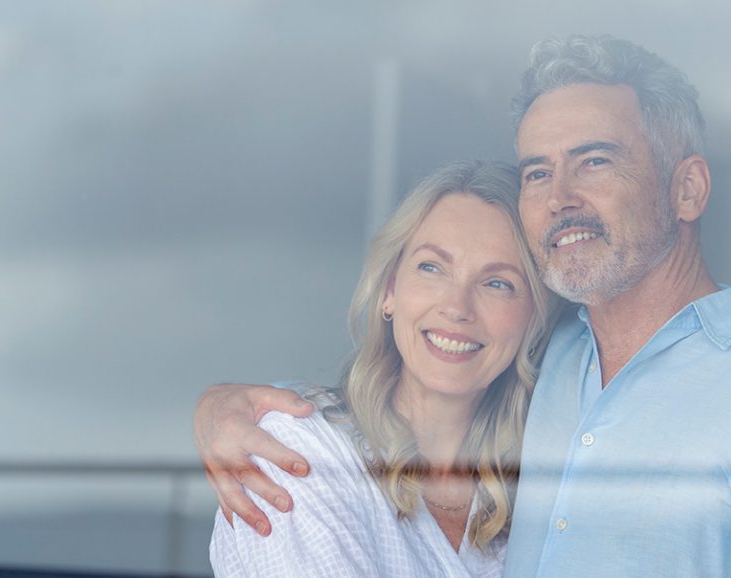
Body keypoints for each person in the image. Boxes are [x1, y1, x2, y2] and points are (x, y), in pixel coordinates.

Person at [196, 35, 731, 577]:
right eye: (539, 170)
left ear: (688, 190)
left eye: (595, 160)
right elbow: (412, 389)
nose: (560, 195)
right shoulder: (556, 361)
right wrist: (232, 407)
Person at [207, 160, 556, 577]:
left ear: (532, 320)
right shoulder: (299, 449)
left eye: (497, 283)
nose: (457, 307)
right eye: (432, 267)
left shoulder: (530, 500)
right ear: (389, 291)